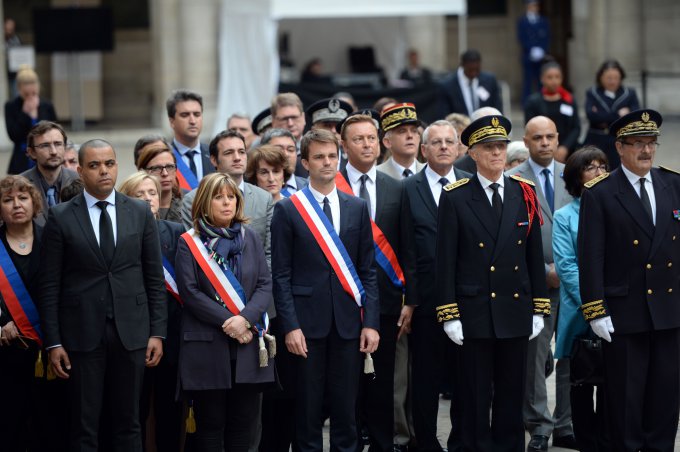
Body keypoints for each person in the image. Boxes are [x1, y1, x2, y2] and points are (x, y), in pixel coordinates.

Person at [39, 139, 167, 452]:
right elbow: (50, 284)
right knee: (84, 424)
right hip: (81, 333)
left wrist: (157, 333)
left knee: (129, 422)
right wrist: (53, 342)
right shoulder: (60, 216)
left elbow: (154, 277)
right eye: (94, 165)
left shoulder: (138, 212)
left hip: (132, 332)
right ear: (80, 171)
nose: (104, 171)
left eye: (109, 163)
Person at [435, 114, 549, 451]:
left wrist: (538, 307)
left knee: (511, 395)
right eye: (488, 148)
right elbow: (446, 261)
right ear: (472, 153)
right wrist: (449, 313)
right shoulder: (456, 196)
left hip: (514, 309)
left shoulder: (524, 192)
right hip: (474, 310)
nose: (497, 153)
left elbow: (533, 254)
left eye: (500, 146)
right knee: (473, 394)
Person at [578, 109, 680, 451]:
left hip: (668, 309)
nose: (647, 151)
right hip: (625, 311)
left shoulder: (673, 183)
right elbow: (591, 255)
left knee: (665, 395)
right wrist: (595, 309)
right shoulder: (601, 192)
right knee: (626, 398)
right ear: (619, 147)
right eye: (638, 144)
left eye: (651, 143)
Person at [272, 129, 379, 452]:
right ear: (304, 163)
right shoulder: (289, 210)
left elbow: (367, 271)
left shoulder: (357, 207)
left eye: (332, 156)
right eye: (318, 157)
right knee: (308, 408)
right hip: (306, 325)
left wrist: (371, 322)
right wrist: (289, 326)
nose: (327, 162)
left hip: (348, 323)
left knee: (347, 408)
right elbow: (281, 275)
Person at [174, 172, 274, 451]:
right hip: (208, 344)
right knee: (210, 425)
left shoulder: (250, 237)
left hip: (247, 343)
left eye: (231, 197)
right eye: (219, 197)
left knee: (243, 424)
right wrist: (230, 323)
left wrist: (244, 320)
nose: (227, 203)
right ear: (205, 203)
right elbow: (190, 293)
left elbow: (265, 283)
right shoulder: (189, 242)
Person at [338, 113, 416, 452]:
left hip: (386, 301)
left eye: (371, 138)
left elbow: (408, 248)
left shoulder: (396, 188)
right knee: (346, 383)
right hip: (340, 301)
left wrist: (409, 300)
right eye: (358, 139)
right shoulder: (331, 183)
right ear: (344, 145)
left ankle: (383, 444)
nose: (367, 144)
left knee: (382, 380)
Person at [401, 120, 471, 452]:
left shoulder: (471, 184)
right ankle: (426, 442)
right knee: (426, 379)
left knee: (465, 378)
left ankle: (461, 440)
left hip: (467, 299)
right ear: (424, 149)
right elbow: (406, 250)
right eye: (436, 142)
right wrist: (411, 300)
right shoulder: (407, 189)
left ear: (459, 148)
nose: (444, 147)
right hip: (427, 301)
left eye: (450, 141)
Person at [507, 116, 576, 451]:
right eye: (538, 138)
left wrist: (570, 269)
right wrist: (542, 269)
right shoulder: (512, 179)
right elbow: (509, 238)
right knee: (535, 356)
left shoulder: (573, 175)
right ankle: (538, 424)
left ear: (558, 138)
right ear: (527, 140)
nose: (545, 143)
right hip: (534, 284)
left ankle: (567, 422)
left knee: (569, 353)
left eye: (550, 137)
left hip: (573, 282)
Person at [119, 171, 185, 452]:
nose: (147, 199)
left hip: (171, 332)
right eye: (139, 194)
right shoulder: (119, 234)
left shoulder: (177, 231)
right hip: (133, 335)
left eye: (152, 193)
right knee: (135, 410)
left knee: (170, 411)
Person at [552, 146, 610, 452]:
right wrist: (595, 304)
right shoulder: (565, 216)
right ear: (577, 176)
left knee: (613, 385)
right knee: (582, 383)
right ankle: (587, 441)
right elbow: (567, 266)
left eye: (603, 166)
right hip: (580, 311)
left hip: (617, 309)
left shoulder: (616, 207)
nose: (599, 172)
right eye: (591, 167)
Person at [181, 131, 273, 270]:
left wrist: (260, 286)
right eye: (229, 153)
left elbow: (269, 253)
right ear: (213, 160)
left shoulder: (264, 198)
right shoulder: (193, 200)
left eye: (241, 152)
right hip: (215, 283)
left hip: (257, 285)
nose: (237, 158)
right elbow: (196, 251)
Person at [0, 175, 44, 452]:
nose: (17, 204)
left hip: (50, 351)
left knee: (49, 425)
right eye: (7, 200)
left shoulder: (53, 238)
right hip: (6, 352)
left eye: (23, 197)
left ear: (34, 202)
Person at [583, 59, 640, 170]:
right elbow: (591, 116)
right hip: (596, 140)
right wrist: (618, 115)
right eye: (609, 78)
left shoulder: (629, 93)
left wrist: (602, 115)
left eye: (616, 78)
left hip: (620, 140)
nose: (612, 81)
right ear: (601, 77)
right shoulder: (592, 93)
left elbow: (634, 117)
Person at [20, 121, 79, 226]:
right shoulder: (19, 185)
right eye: (45, 145)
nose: (53, 151)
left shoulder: (81, 181)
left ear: (65, 147)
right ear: (32, 152)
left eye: (58, 144)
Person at [524, 62, 580, 162]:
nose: (554, 81)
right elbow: (530, 129)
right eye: (549, 77)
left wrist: (564, 148)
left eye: (557, 77)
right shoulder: (533, 102)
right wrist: (550, 149)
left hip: (567, 152)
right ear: (542, 79)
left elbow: (576, 127)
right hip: (542, 150)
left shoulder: (569, 100)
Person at [5, 68, 57, 174]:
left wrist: (37, 115)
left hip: (45, 154)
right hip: (22, 157)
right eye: (26, 94)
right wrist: (25, 114)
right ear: (19, 90)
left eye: (33, 93)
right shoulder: (11, 106)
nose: (30, 97)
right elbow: (13, 135)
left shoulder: (46, 105)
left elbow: (55, 131)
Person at [167, 90, 214, 188]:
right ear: (172, 122)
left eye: (197, 114)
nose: (192, 121)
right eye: (185, 115)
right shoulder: (164, 157)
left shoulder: (214, 154)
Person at [440, 49, 503, 117]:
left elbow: (497, 107)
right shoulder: (448, 86)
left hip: (485, 125)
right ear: (462, 65)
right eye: (470, 70)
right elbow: (445, 114)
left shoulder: (490, 81)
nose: (473, 73)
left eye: (477, 70)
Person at [136, 142, 184, 224]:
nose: (165, 173)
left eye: (170, 167)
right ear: (142, 171)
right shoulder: (132, 207)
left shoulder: (190, 205)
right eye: (157, 168)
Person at [377, 103, 424, 180]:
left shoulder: (431, 173)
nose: (410, 136)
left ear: (418, 138)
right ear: (387, 142)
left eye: (414, 131)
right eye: (402, 131)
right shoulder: (376, 175)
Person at [517, 0, 550, 104]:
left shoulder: (543, 20)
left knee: (541, 80)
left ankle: (542, 101)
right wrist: (531, 49)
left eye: (536, 6)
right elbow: (521, 37)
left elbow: (547, 36)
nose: (534, 8)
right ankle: (526, 103)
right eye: (532, 6)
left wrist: (542, 50)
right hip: (528, 55)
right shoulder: (522, 21)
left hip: (541, 56)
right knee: (528, 81)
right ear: (527, 7)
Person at [260, 128, 308, 195]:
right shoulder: (251, 191)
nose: (286, 154)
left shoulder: (310, 187)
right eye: (278, 150)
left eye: (290, 150)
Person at [271, 93, 307, 177]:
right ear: (273, 122)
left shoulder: (314, 149)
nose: (290, 123)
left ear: (303, 118)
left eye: (294, 117)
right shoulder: (263, 153)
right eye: (284, 119)